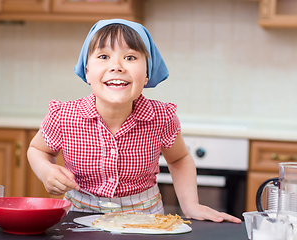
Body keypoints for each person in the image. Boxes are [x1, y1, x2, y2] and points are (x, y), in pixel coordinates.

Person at [27, 19, 241, 223]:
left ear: (147, 74)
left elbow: (179, 159)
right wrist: (46, 171)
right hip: (78, 217)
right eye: (103, 57)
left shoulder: (161, 118)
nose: (117, 66)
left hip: (144, 220)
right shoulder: (63, 116)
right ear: (87, 71)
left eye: (130, 57)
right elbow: (37, 150)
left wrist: (191, 204)